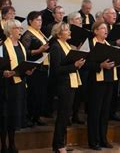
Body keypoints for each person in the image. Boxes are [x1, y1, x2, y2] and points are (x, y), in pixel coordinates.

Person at [0, 19, 34, 153]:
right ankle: (3, 146)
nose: (21, 31)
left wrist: (28, 70)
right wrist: (3, 72)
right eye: (18, 28)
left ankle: (12, 143)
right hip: (6, 87)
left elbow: (23, 63)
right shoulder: (2, 48)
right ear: (10, 31)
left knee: (14, 116)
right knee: (5, 116)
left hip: (19, 85)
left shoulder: (21, 46)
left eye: (20, 28)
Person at [87, 21, 120, 150]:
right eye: (102, 28)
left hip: (109, 80)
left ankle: (103, 138)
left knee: (105, 112)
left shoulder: (109, 45)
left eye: (106, 28)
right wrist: (100, 66)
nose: (105, 30)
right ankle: (93, 141)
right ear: (96, 30)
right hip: (96, 82)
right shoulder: (90, 44)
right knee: (95, 112)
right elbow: (86, 64)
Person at [50, 22, 86, 153]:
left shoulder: (66, 45)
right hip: (63, 84)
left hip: (71, 82)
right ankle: (58, 145)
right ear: (59, 34)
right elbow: (57, 69)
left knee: (66, 116)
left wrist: (77, 64)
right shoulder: (55, 47)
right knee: (63, 116)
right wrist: (75, 65)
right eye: (67, 31)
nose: (70, 33)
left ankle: (61, 144)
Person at [20, 11, 50, 127]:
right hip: (33, 68)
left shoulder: (40, 33)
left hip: (43, 67)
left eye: (41, 20)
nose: (39, 22)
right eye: (37, 20)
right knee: (33, 93)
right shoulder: (27, 34)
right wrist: (39, 51)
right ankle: (29, 117)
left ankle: (36, 116)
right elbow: (25, 52)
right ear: (30, 21)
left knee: (41, 94)